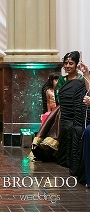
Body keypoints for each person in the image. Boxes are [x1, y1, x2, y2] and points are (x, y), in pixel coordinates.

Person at [55, 51, 90, 183]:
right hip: (64, 113)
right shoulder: (62, 80)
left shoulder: (82, 80)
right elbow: (57, 97)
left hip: (76, 114)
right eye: (66, 63)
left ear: (76, 65)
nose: (68, 66)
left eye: (71, 63)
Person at [31, 73, 62, 161]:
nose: (57, 82)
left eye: (58, 80)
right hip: (51, 113)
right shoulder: (48, 91)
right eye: (55, 80)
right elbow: (48, 103)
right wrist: (47, 113)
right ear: (51, 81)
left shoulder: (61, 90)